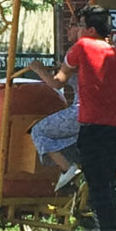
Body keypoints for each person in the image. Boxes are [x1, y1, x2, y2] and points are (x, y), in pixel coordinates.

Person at [51, 4, 116, 231]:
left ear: (91, 29)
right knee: (106, 186)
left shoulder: (83, 47)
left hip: (94, 127)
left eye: (81, 25)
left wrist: (41, 70)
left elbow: (60, 80)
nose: (77, 30)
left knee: (99, 191)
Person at [29, 16, 81, 191]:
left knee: (38, 131)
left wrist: (38, 69)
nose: (67, 29)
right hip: (106, 114)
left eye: (71, 25)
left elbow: (55, 83)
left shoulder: (77, 51)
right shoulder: (105, 52)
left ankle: (67, 168)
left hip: (81, 112)